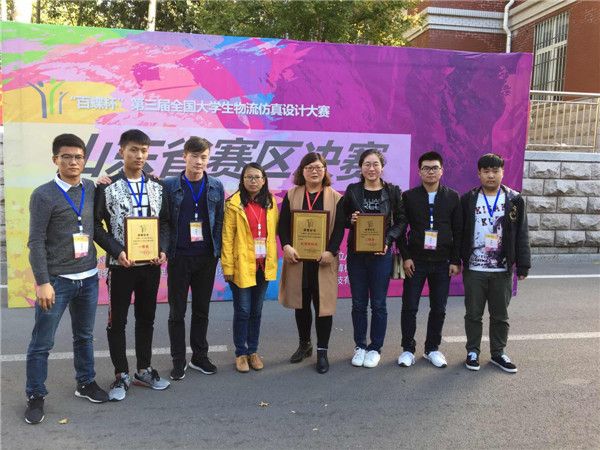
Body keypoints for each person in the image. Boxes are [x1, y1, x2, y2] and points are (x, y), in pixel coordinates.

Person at [24, 134, 108, 425]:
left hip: (88, 277)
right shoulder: (43, 195)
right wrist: (42, 282)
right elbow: (35, 241)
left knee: (84, 336)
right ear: (55, 160)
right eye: (67, 157)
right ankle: (35, 395)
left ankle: (85, 382)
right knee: (42, 342)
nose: (73, 162)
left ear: (85, 160)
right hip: (57, 281)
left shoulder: (91, 188)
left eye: (78, 157)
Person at [94, 129, 170, 400]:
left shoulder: (158, 186)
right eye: (133, 150)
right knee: (117, 321)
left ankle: (144, 369)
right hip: (121, 266)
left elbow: (165, 223)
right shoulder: (106, 186)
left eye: (144, 151)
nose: (139, 155)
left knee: (146, 318)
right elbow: (96, 226)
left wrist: (163, 249)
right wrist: (117, 251)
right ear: (121, 152)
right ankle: (121, 374)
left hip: (150, 266)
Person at [461, 153, 530, 373]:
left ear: (502, 172)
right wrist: (456, 259)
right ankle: (472, 351)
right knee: (473, 314)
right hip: (475, 268)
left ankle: (498, 353)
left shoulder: (514, 199)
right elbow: (459, 232)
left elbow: (522, 233)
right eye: (486, 171)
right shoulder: (468, 199)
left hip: (502, 269)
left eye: (495, 171)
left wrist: (523, 264)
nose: (491, 175)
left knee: (500, 315)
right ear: (479, 174)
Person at [278, 153, 345, 374]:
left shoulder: (336, 197)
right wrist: (286, 245)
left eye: (318, 167)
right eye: (309, 168)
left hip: (323, 260)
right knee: (302, 304)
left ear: (325, 171)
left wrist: (331, 251)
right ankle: (304, 344)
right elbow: (283, 225)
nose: (314, 171)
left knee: (323, 307)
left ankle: (322, 351)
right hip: (298, 260)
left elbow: (339, 228)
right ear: (302, 171)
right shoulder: (292, 194)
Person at [163, 136, 224, 380]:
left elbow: (219, 221)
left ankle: (200, 356)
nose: (199, 161)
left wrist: (216, 252)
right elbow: (164, 220)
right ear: (184, 156)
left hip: (206, 258)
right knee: (177, 312)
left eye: (204, 157)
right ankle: (178, 360)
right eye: (195, 156)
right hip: (179, 257)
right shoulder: (169, 185)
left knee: (201, 310)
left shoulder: (216, 186)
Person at [397, 151, 462, 369]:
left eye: (435, 168)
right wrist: (406, 257)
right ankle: (407, 349)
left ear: (442, 171)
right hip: (416, 261)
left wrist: (455, 260)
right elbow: (400, 229)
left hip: (442, 262)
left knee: (439, 308)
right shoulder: (409, 197)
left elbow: (458, 231)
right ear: (419, 172)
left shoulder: (452, 197)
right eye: (426, 168)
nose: (431, 172)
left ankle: (432, 348)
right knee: (410, 306)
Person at [343, 149, 406, 368]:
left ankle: (375, 348)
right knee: (358, 303)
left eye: (375, 164)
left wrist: (387, 240)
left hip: (381, 255)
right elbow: (341, 219)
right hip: (357, 255)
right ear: (361, 167)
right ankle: (360, 345)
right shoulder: (352, 191)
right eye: (367, 164)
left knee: (378, 303)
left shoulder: (393, 192)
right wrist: (350, 219)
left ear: (382, 167)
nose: (371, 168)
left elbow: (401, 222)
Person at [221, 163, 278, 373]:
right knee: (243, 310)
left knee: (256, 310)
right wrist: (227, 267)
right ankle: (241, 353)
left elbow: (274, 232)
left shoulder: (271, 202)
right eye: (249, 177)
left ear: (264, 180)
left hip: (263, 265)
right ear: (242, 180)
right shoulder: (233, 204)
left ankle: (253, 351)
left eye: (257, 177)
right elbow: (227, 238)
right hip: (242, 265)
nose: (253, 181)